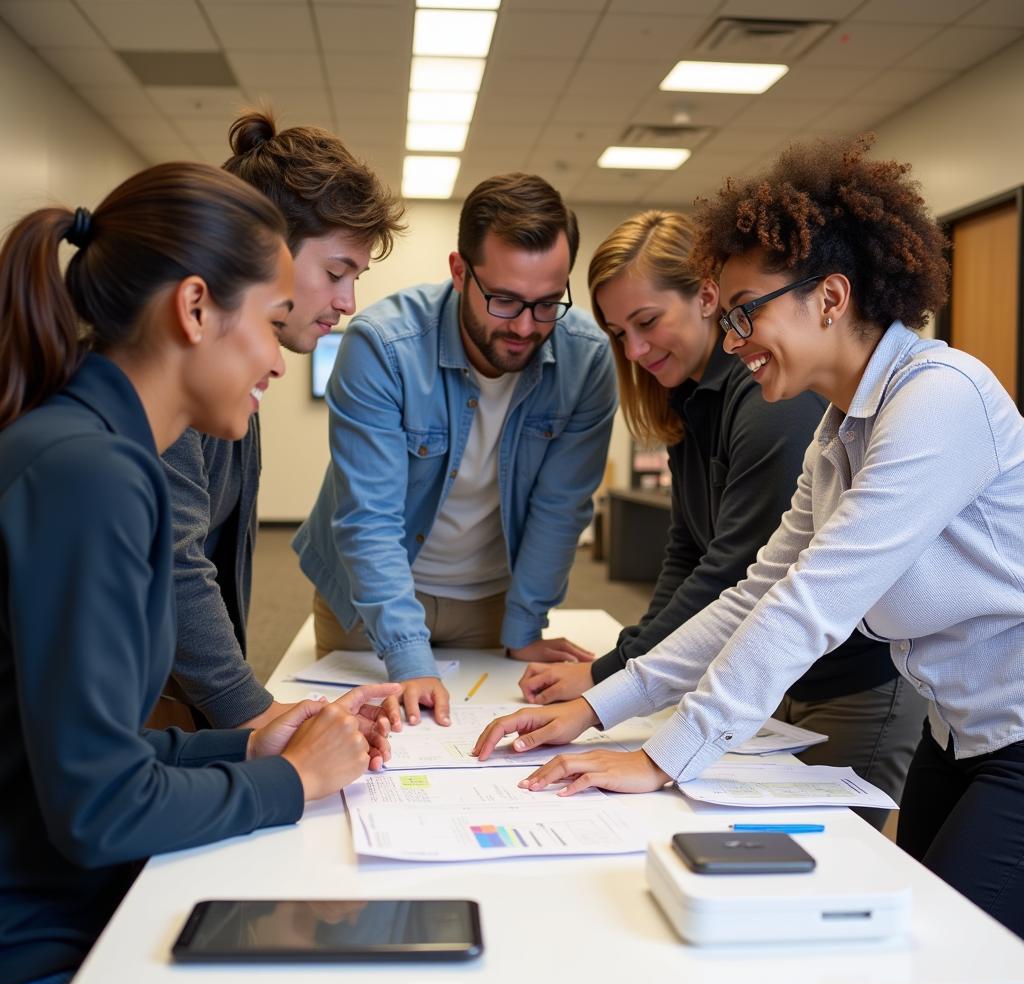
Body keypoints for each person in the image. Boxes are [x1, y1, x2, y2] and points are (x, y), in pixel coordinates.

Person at [473, 136, 1024, 938]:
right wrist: (598, 706)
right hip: (958, 729)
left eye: (744, 312)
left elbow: (812, 602)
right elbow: (754, 593)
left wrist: (664, 757)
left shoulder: (938, 400)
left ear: (830, 298)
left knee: (959, 953)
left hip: (1015, 732)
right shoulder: (839, 432)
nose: (730, 339)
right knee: (928, 943)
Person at [0, 163, 398, 984]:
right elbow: (102, 807)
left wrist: (251, 750)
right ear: (193, 310)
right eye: (267, 318)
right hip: (32, 954)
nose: (279, 357)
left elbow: (103, 752)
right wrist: (290, 782)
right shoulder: (90, 474)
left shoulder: (98, 450)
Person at [516, 209, 925, 829]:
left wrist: (647, 735)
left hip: (862, 684)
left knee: (832, 866)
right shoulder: (809, 425)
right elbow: (728, 578)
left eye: (745, 312)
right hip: (787, 676)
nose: (635, 349)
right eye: (618, 333)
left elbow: (779, 596)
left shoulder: (838, 404)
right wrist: (607, 695)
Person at [293, 173, 617, 728]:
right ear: (460, 271)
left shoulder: (586, 359)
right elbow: (368, 519)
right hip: (366, 603)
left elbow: (561, 510)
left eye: (546, 304)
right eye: (505, 300)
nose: (525, 326)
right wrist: (408, 655)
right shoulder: (382, 347)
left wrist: (524, 627)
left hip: (491, 601)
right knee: (368, 750)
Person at [156, 110, 405, 732]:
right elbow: (173, 564)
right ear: (261, 250)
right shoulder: (167, 380)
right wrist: (255, 719)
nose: (348, 303)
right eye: (336, 273)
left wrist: (233, 718)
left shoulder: (234, 374)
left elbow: (209, 561)